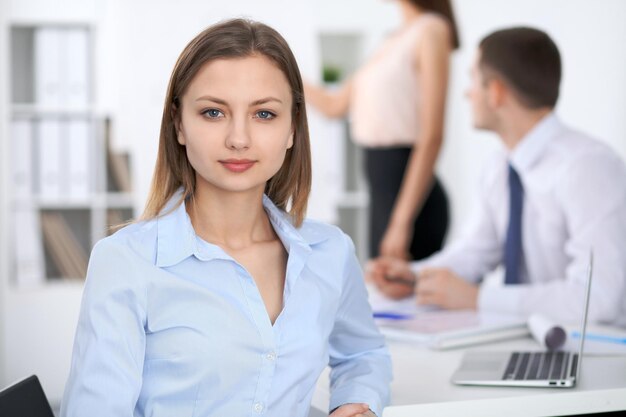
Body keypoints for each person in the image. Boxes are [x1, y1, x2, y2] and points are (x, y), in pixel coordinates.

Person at [61, 19, 391, 417]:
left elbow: (363, 352)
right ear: (179, 124)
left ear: (292, 129)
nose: (239, 138)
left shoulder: (330, 252)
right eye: (214, 112)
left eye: (264, 114)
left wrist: (356, 402)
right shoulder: (126, 262)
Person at [369, 27, 626, 327]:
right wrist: (414, 276)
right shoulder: (499, 167)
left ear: (496, 92)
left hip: (597, 352)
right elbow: (475, 251)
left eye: (473, 80)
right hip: (529, 339)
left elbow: (597, 300)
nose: (468, 93)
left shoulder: (587, 167)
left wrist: (479, 298)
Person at [305, 0, 460, 261]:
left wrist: (401, 222)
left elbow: (432, 135)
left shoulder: (431, 30)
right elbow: (334, 105)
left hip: (409, 199)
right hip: (381, 191)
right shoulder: (392, 41)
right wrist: (282, 70)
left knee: (401, 297)